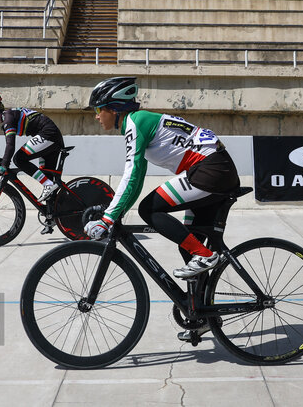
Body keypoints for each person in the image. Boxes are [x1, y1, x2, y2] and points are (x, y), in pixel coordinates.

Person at [84, 77, 240, 279]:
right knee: (188, 246)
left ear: (113, 109)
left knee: (149, 209)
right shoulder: (140, 120)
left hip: (209, 170)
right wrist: (117, 211)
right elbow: (137, 179)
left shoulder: (135, 121)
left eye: (98, 110)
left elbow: (132, 174)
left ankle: (206, 256)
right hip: (215, 169)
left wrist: (107, 218)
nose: (96, 117)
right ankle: (201, 307)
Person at [0, 92, 64, 202]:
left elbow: (10, 145)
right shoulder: (9, 116)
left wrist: (4, 164)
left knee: (19, 159)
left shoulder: (7, 119)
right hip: (51, 136)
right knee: (50, 190)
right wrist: (3, 162)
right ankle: (55, 215)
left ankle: (48, 184)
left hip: (48, 134)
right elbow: (9, 148)